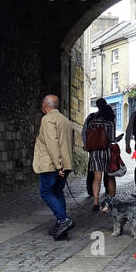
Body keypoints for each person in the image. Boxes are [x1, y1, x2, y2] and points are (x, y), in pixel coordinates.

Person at [33, 94, 74, 237]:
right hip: (65, 163)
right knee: (57, 192)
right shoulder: (65, 120)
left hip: (51, 165)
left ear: (45, 105)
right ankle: (60, 225)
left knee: (46, 192)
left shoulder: (47, 119)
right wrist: (64, 165)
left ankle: (63, 220)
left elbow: (52, 143)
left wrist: (58, 166)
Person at [83, 98, 122, 212]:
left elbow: (85, 133)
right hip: (107, 151)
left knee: (97, 178)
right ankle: (111, 200)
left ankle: (95, 202)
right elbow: (112, 138)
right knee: (110, 176)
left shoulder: (91, 119)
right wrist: (118, 139)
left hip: (95, 152)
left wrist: (86, 145)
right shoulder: (110, 122)